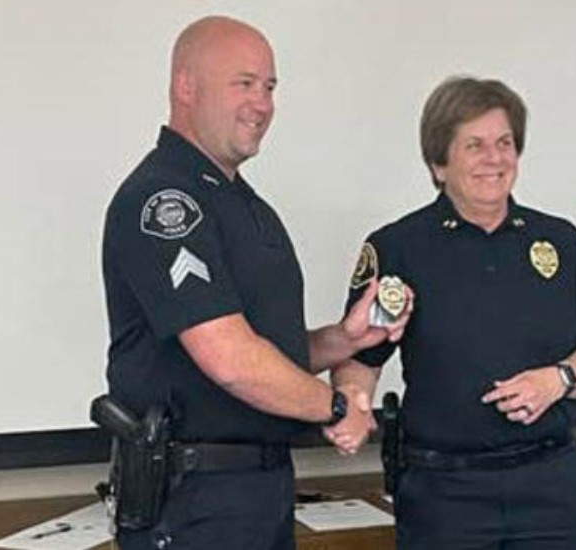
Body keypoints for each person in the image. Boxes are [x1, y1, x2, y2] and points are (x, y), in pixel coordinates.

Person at [100, 15, 410, 550]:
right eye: (243, 83)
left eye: (269, 87)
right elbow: (230, 358)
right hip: (193, 500)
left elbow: (269, 349)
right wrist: (337, 408)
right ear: (185, 86)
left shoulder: (246, 205)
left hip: (257, 491)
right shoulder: (165, 202)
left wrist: (346, 340)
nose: (262, 104)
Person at [332, 76, 576, 549]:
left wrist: (559, 378)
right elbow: (360, 360)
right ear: (438, 163)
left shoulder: (559, 241)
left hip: (550, 486)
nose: (495, 159)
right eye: (475, 145)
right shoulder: (399, 249)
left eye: (505, 143)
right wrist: (352, 407)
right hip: (446, 495)